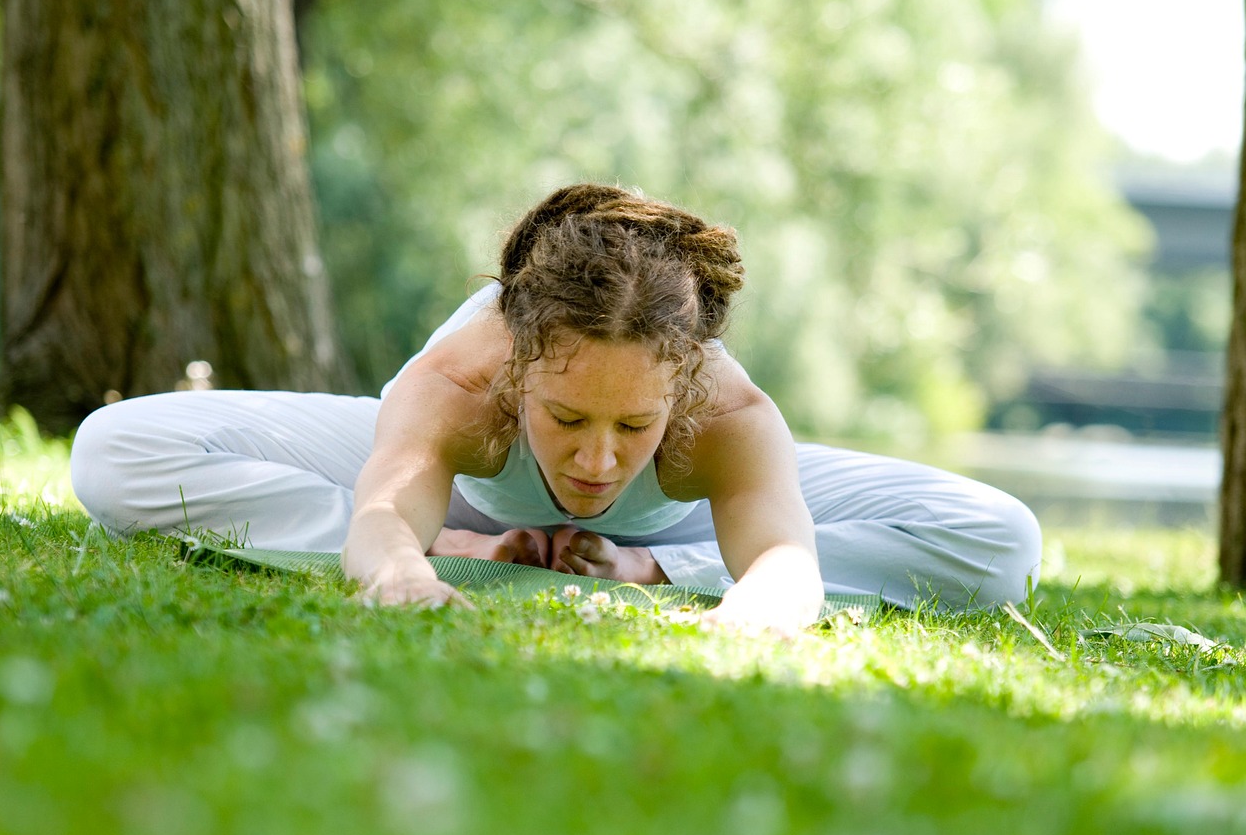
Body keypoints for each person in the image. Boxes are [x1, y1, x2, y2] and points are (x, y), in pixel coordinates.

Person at [71, 183, 1041, 635]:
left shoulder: (729, 413)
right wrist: (403, 565)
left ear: (680, 390)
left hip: (677, 526)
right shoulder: (458, 381)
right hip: (467, 497)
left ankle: (654, 568)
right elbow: (379, 509)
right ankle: (465, 550)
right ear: (520, 373)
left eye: (632, 426)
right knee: (113, 451)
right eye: (567, 418)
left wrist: (738, 610)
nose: (595, 459)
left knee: (999, 539)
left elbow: (784, 564)